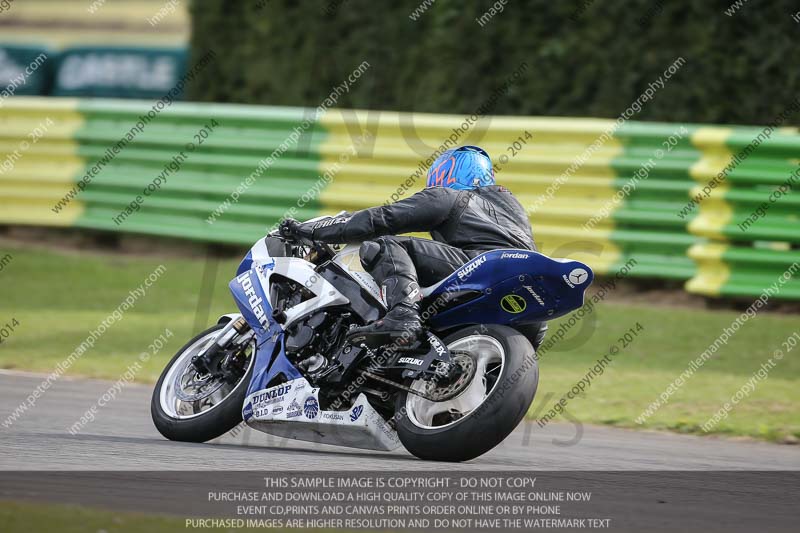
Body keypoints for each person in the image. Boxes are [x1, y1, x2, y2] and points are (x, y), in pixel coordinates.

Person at [279, 145, 545, 349]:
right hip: (529, 310)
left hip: (483, 267)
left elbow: (380, 219)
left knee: (384, 244)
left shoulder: (449, 196)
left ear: (447, 172)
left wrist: (313, 230)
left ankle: (403, 313)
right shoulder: (513, 209)